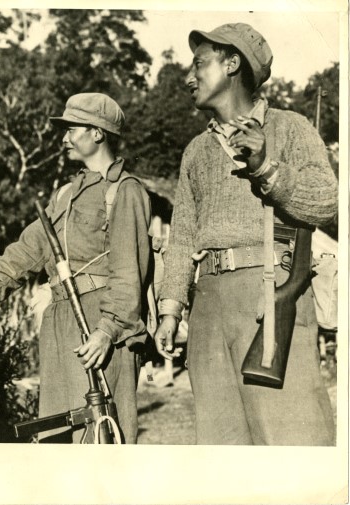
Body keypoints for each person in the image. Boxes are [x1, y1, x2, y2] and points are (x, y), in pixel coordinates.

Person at [154, 23, 337, 445]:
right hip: (207, 307)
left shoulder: (289, 128)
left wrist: (266, 166)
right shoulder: (196, 151)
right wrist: (170, 310)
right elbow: (182, 237)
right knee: (222, 448)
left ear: (232, 63)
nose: (188, 77)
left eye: (199, 64)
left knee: (290, 441)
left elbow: (326, 203)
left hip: (269, 299)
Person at [0, 93, 153, 443]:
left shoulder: (125, 191)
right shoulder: (64, 195)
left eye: (71, 129)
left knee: (103, 435)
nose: (64, 139)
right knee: (58, 434)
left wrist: (107, 331)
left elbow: (128, 271)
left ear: (97, 133)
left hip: (100, 323)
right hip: (60, 319)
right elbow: (28, 250)